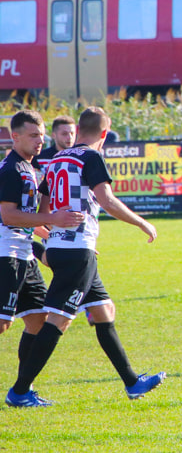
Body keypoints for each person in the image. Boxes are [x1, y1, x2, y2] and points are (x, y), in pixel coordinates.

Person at [7, 107, 164, 407]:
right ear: (104, 134)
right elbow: (106, 200)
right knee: (58, 321)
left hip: (64, 246)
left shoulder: (55, 160)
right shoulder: (91, 157)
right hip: (76, 251)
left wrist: (56, 234)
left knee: (104, 310)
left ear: (78, 130)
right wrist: (142, 223)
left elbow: (44, 208)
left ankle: (132, 382)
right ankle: (20, 390)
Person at [0, 111, 85, 407]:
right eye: (34, 135)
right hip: (6, 255)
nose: (40, 141)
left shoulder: (30, 168)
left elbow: (26, 217)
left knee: (38, 320)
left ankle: (23, 390)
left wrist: (56, 237)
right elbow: (8, 215)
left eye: (42, 135)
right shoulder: (11, 169)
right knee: (2, 324)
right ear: (16, 137)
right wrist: (51, 217)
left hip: (25, 255)